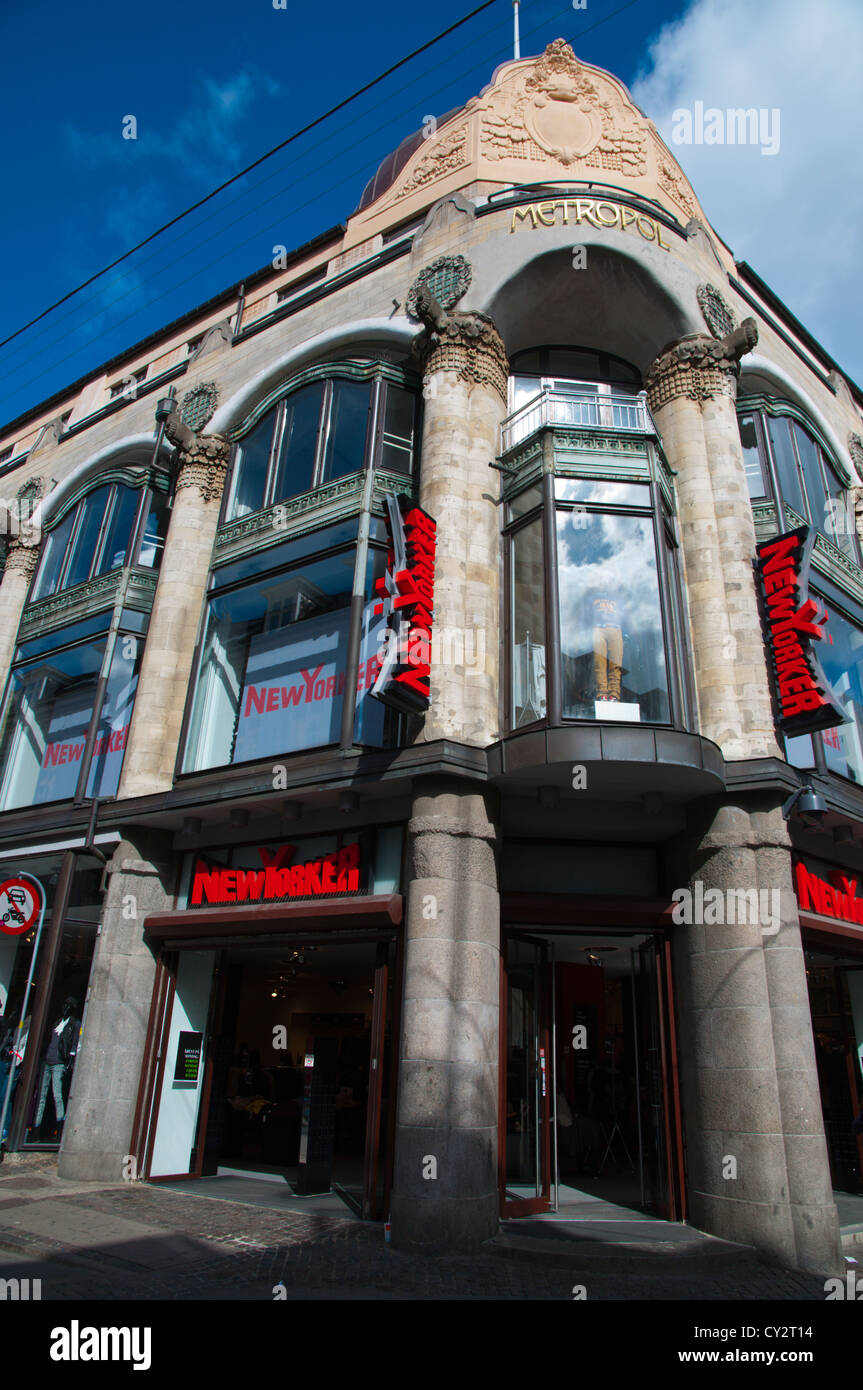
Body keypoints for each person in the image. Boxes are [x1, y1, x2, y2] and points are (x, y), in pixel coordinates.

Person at [32, 997, 79, 1136]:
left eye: (68, 1006)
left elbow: (74, 1043)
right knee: (41, 1095)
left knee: (57, 1095)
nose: (65, 1008)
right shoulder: (57, 1022)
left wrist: (70, 1060)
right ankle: (36, 1128)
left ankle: (59, 1128)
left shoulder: (74, 1024)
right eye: (64, 1005)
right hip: (47, 1061)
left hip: (59, 1063)